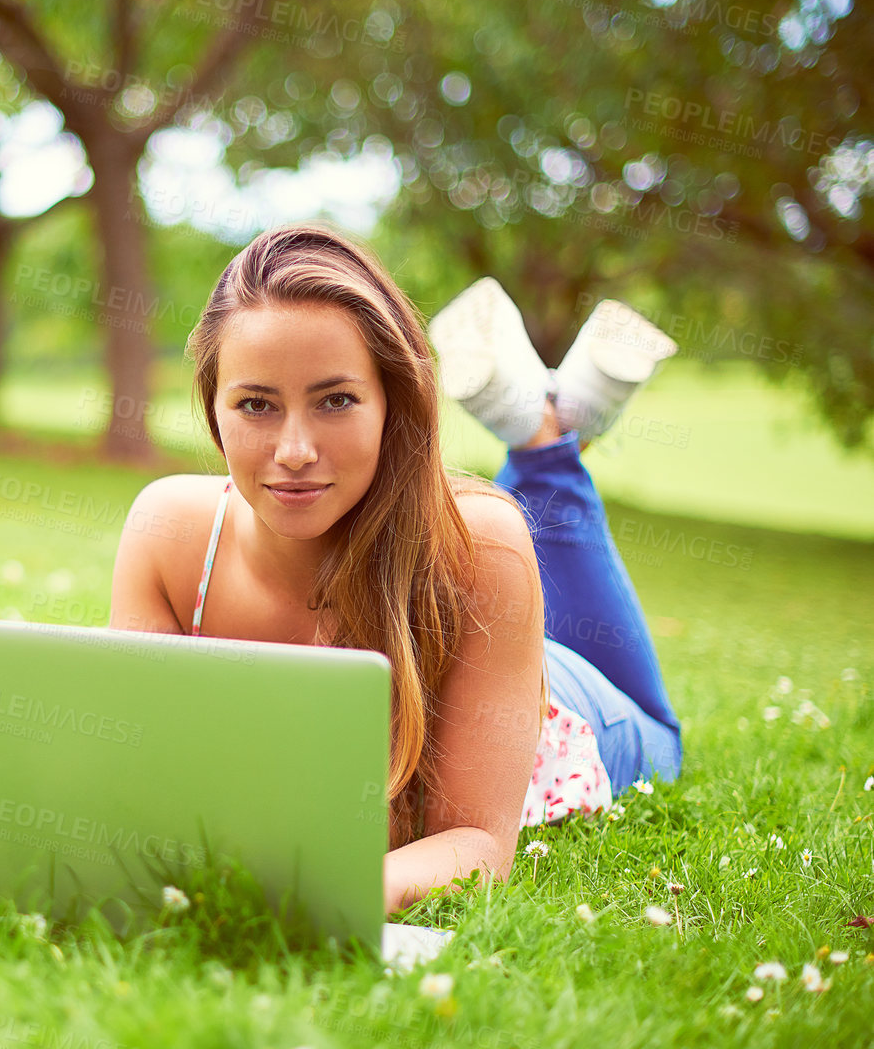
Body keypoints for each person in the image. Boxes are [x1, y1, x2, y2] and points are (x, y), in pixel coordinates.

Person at [107, 223, 683, 917]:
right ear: (212, 411)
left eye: (335, 399)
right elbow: (142, 782)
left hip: (563, 707)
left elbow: (473, 838)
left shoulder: (481, 547)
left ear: (392, 405)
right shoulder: (167, 534)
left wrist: (327, 891)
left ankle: (542, 438)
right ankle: (547, 417)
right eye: (256, 404)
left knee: (660, 732)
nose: (293, 450)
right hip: (487, 638)